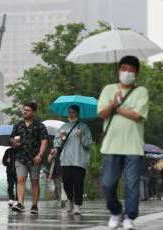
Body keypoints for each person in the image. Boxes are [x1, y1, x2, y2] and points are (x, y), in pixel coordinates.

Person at [98, 56, 149, 230]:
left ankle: (129, 216)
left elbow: (137, 115)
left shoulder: (141, 91)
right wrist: (113, 102)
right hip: (111, 145)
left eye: (131, 70)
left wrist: (117, 109)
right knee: (108, 183)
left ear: (137, 73)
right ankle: (116, 210)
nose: (127, 73)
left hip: (133, 146)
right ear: (119, 70)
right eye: (124, 68)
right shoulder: (108, 89)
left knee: (132, 185)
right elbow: (102, 114)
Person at [50, 105, 92, 215]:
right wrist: (61, 137)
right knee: (66, 183)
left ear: (77, 114)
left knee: (78, 184)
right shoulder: (63, 127)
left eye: (73, 112)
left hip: (79, 160)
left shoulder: (84, 127)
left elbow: (88, 144)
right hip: (66, 160)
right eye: (69, 112)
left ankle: (77, 205)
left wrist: (81, 135)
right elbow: (56, 144)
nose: (71, 115)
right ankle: (70, 199)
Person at [10, 102, 48, 214]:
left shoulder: (40, 126)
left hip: (34, 158)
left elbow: (44, 142)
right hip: (20, 157)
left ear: (34, 112)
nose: (25, 112)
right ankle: (20, 204)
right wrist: (13, 143)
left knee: (34, 181)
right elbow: (11, 139)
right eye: (24, 109)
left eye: (28, 110)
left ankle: (34, 205)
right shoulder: (18, 125)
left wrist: (40, 155)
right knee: (20, 179)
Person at [2, 142, 17, 206]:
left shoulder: (20, 151)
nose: (13, 144)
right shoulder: (7, 151)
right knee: (10, 185)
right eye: (12, 143)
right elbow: (4, 162)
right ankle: (11, 198)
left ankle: (19, 199)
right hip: (10, 171)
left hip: (18, 171)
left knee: (19, 185)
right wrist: (7, 161)